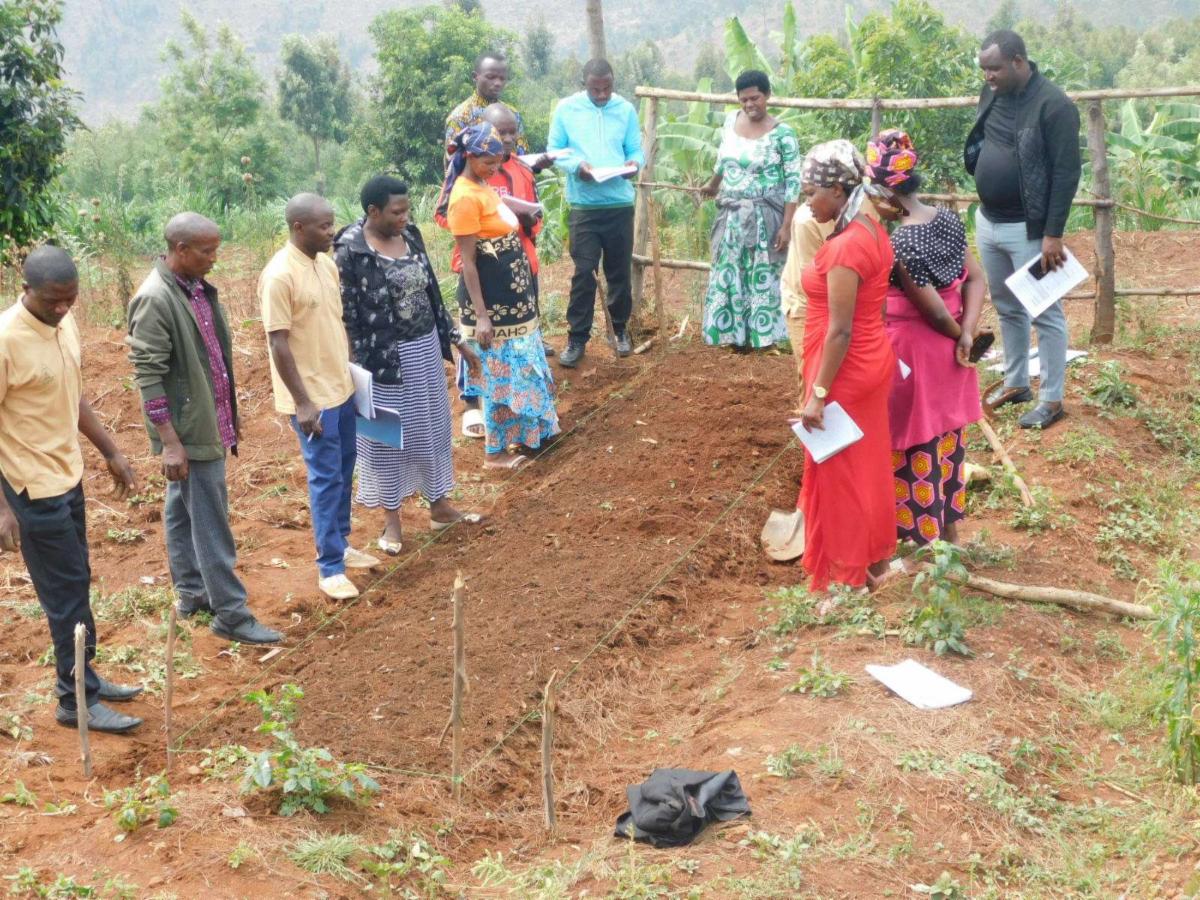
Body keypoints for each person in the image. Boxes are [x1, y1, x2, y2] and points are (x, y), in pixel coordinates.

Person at [0, 246, 143, 734]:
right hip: (29, 488)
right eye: (52, 301)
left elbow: (73, 395)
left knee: (78, 581)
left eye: (71, 298)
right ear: (26, 290)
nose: (62, 308)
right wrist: (2, 509)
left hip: (67, 474)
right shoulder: (6, 339)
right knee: (66, 596)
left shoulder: (65, 324)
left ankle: (87, 678)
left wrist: (110, 451)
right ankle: (75, 699)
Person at [127, 213, 282, 643]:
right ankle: (230, 613)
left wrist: (223, 414)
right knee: (211, 520)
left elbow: (208, 359)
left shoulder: (193, 287)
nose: (215, 258)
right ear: (180, 250)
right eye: (207, 251)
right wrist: (170, 442)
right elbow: (148, 375)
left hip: (204, 419)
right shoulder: (156, 298)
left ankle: (193, 592)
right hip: (188, 430)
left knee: (182, 509)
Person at [334, 176, 483, 554]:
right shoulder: (350, 251)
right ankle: (392, 521)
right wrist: (353, 368)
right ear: (373, 211)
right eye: (396, 212)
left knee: (431, 429)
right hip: (381, 360)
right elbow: (346, 315)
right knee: (385, 439)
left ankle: (439, 506)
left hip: (425, 351)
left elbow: (432, 296)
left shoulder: (411, 237)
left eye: (407, 210)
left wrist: (458, 343)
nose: (404, 217)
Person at [865, 130, 985, 546]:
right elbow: (976, 278)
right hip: (950, 354)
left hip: (917, 353)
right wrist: (966, 334)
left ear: (885, 194)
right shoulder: (946, 218)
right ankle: (948, 533)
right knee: (945, 437)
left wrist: (958, 334)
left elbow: (932, 311)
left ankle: (923, 541)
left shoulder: (902, 242)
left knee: (913, 441)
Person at [260, 194, 379, 601]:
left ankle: (341, 544)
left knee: (344, 468)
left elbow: (333, 323)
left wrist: (351, 371)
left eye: (332, 223)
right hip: (313, 399)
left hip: (341, 387)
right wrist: (303, 403)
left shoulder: (326, 264)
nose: (332, 231)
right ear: (299, 228)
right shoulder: (280, 276)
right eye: (324, 226)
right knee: (326, 478)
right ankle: (329, 568)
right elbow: (278, 343)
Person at [794, 141, 897, 598]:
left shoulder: (845, 248)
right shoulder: (872, 229)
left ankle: (847, 582)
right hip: (871, 362)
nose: (807, 203)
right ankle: (875, 563)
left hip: (845, 373)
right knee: (867, 468)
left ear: (837, 190)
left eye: (811, 193)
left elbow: (840, 330)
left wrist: (819, 393)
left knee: (842, 479)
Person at [966, 29, 1080, 430]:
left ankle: (1051, 399)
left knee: (1044, 310)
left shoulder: (1054, 105)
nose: (988, 76)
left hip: (1030, 230)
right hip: (989, 221)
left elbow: (1066, 173)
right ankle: (1016, 383)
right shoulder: (991, 94)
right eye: (984, 69)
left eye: (995, 68)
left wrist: (1053, 233)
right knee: (1007, 305)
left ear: (1018, 61)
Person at [444, 123, 560, 469]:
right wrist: (482, 316)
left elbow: (495, 204)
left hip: (512, 300)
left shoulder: (479, 184)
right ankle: (495, 453)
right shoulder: (463, 197)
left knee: (523, 367)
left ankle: (531, 434)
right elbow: (468, 262)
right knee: (499, 375)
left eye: (498, 163)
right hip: (492, 305)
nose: (495, 169)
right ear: (470, 157)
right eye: (488, 163)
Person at [547, 58, 644, 367]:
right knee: (585, 272)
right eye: (595, 89)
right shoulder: (567, 109)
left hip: (619, 204)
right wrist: (578, 167)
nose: (602, 95)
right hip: (584, 207)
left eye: (607, 88)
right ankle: (577, 338)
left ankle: (619, 331)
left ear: (613, 83)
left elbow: (635, 149)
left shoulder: (625, 109)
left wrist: (634, 164)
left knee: (619, 273)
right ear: (584, 84)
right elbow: (555, 151)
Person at [699, 69, 802, 350]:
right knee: (730, 269)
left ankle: (763, 338)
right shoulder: (730, 121)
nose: (749, 104)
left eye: (755, 98)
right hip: (732, 215)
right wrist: (712, 185)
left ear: (767, 95)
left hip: (765, 216)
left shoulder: (783, 134)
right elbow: (723, 160)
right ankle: (733, 336)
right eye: (743, 99)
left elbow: (793, 182)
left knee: (762, 271)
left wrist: (786, 225)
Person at [444, 52, 531, 158]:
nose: (498, 83)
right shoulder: (460, 117)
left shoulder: (513, 114)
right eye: (491, 77)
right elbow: (452, 161)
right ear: (475, 77)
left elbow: (523, 156)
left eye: (502, 78)